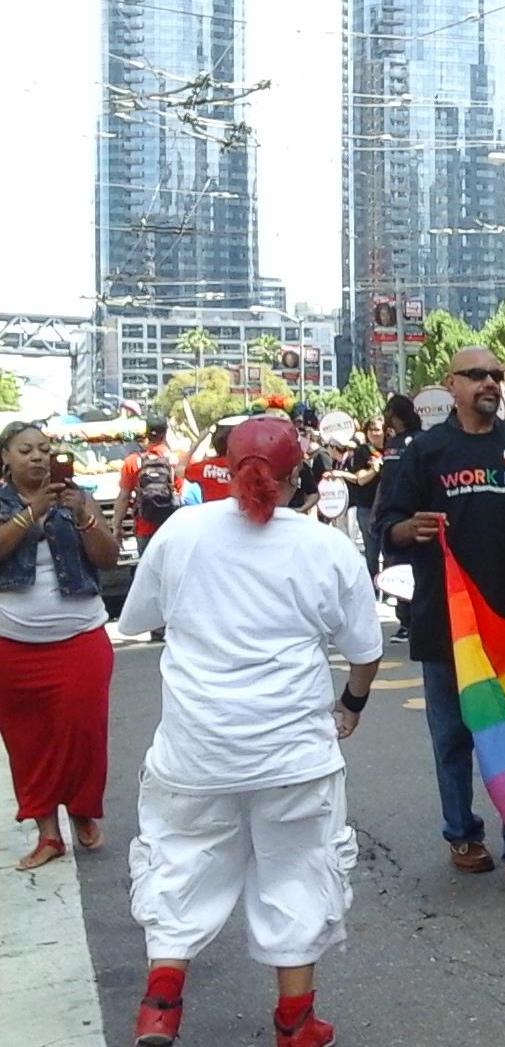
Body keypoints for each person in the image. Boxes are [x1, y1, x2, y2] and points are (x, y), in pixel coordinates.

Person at [119, 416, 383, 1047]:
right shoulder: (325, 548)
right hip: (292, 754)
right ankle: (295, 1021)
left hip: (194, 750)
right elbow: (365, 649)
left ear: (224, 465)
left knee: (181, 863)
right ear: (300, 475)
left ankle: (160, 1008)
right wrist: (349, 705)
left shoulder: (183, 531)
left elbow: (137, 618)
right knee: (296, 871)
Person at [378, 348, 505, 890]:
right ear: (451, 385)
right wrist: (405, 530)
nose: (490, 383)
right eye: (477, 375)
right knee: (453, 737)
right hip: (446, 623)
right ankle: (462, 834)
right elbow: (387, 522)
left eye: (496, 376)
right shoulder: (425, 452)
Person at [0, 422, 118, 871]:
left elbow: (107, 558)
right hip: (13, 645)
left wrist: (84, 515)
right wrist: (28, 515)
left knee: (84, 732)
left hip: (80, 638)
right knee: (29, 742)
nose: (37, 457)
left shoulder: (76, 498)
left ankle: (83, 810)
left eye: (44, 449)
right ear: (6, 457)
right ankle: (48, 834)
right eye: (25, 450)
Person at [375, 395, 422, 636]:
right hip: (389, 513)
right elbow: (385, 480)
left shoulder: (419, 441)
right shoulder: (391, 442)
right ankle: (403, 620)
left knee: (411, 568)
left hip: (410, 513)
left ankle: (414, 619)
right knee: (394, 566)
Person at [114, 416, 182, 560]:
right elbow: (183, 495)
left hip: (144, 528)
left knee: (147, 573)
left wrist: (117, 527)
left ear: (146, 433)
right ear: (165, 433)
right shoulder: (176, 460)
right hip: (172, 527)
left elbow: (123, 498)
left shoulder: (133, 461)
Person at [334, 420, 383, 584]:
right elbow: (360, 479)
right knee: (371, 550)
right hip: (367, 506)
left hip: (388, 506)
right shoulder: (363, 451)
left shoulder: (393, 447)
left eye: (378, 429)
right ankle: (373, 585)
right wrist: (374, 470)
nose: (374, 433)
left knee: (390, 551)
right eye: (371, 429)